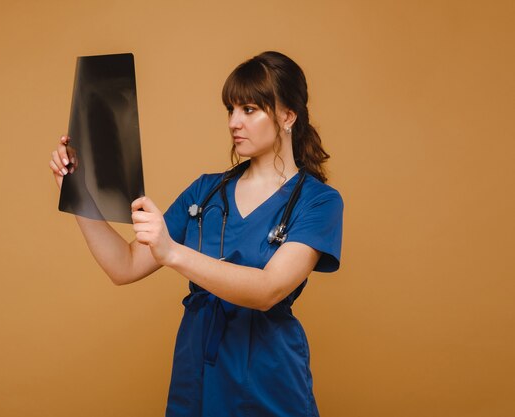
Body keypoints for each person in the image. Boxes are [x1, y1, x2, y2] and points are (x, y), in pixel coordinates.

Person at [49, 51, 343, 417]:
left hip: (270, 380)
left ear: (288, 116)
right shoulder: (204, 193)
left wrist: (172, 252)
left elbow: (270, 289)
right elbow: (123, 266)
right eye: (230, 110)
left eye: (249, 109)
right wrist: (77, 193)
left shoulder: (317, 202)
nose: (234, 122)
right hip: (197, 374)